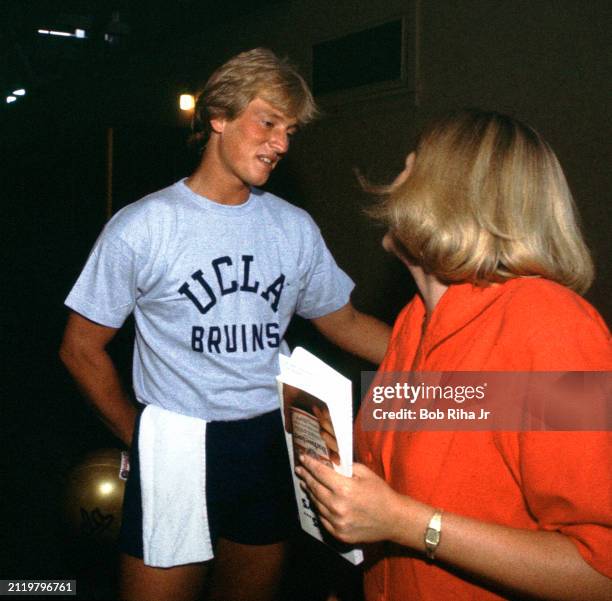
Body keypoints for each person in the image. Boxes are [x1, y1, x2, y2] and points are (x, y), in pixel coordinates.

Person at [59, 48, 391, 601]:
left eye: (289, 131)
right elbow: (80, 348)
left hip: (268, 440)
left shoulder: (293, 228)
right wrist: (137, 435)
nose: (281, 143)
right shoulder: (145, 226)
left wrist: (442, 354)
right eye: (268, 122)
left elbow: (349, 322)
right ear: (218, 117)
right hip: (177, 441)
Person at [297, 109, 612, 600]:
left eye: (410, 168)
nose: (394, 183)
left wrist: (407, 523)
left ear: (448, 192)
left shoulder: (554, 328)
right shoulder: (412, 321)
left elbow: (600, 571)